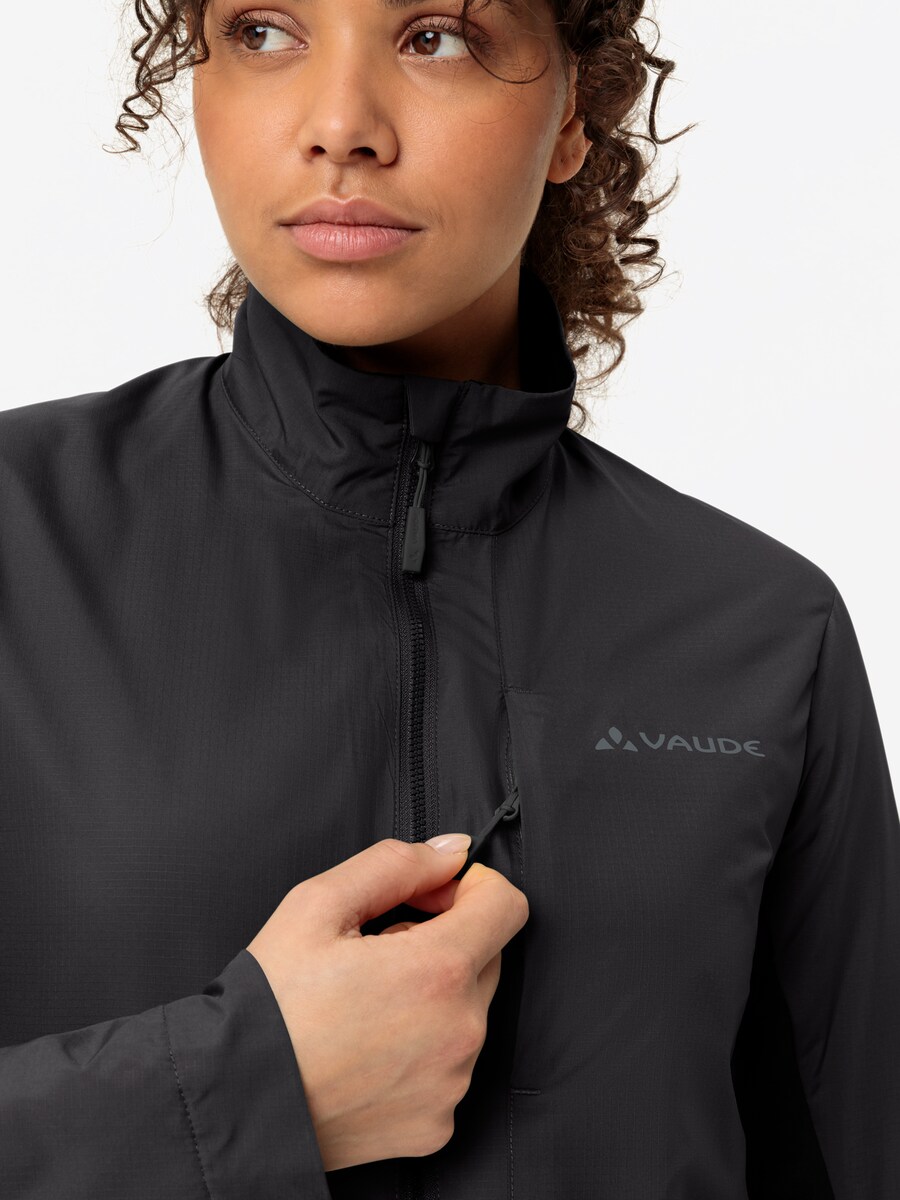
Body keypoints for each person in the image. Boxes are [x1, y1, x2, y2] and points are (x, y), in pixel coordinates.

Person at [1, 2, 898, 1198]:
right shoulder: (19, 539)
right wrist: (245, 1093)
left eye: (437, 36)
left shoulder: (763, 631)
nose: (340, 125)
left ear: (576, 111)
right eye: (264, 31)